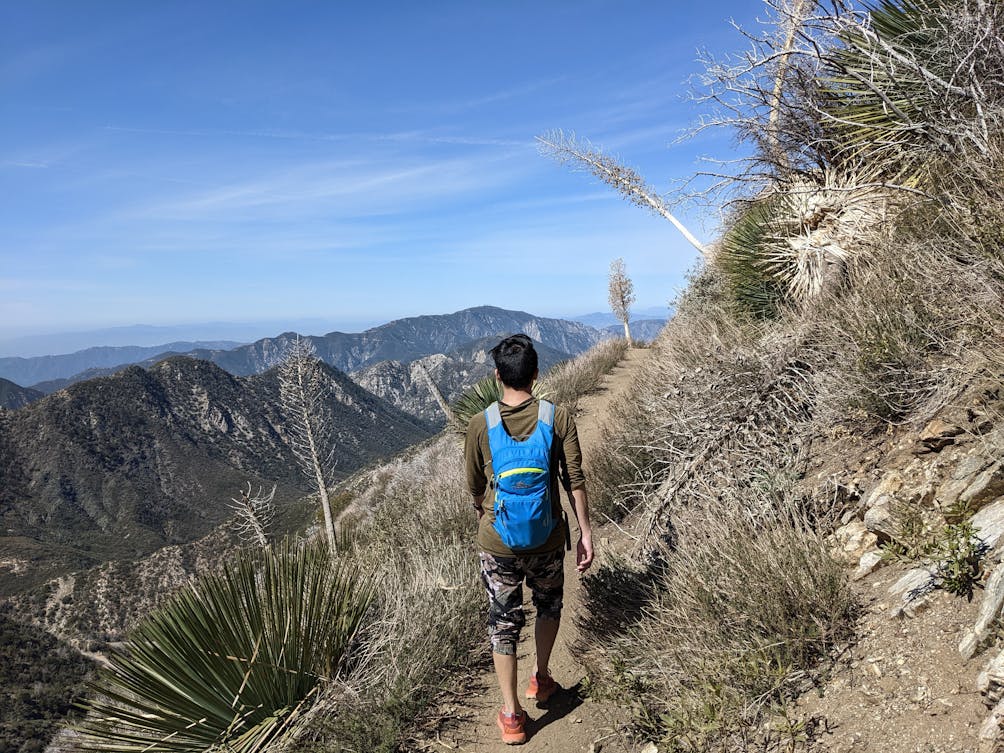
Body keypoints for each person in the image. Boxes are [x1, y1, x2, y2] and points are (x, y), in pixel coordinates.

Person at [464, 334, 594, 745]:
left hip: (497, 542)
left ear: (497, 376)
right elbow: (574, 479)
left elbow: (474, 484)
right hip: (547, 538)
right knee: (548, 605)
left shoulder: (480, 424)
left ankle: (511, 715)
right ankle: (540, 678)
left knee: (503, 622)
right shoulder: (558, 418)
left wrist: (484, 511)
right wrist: (586, 532)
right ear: (536, 375)